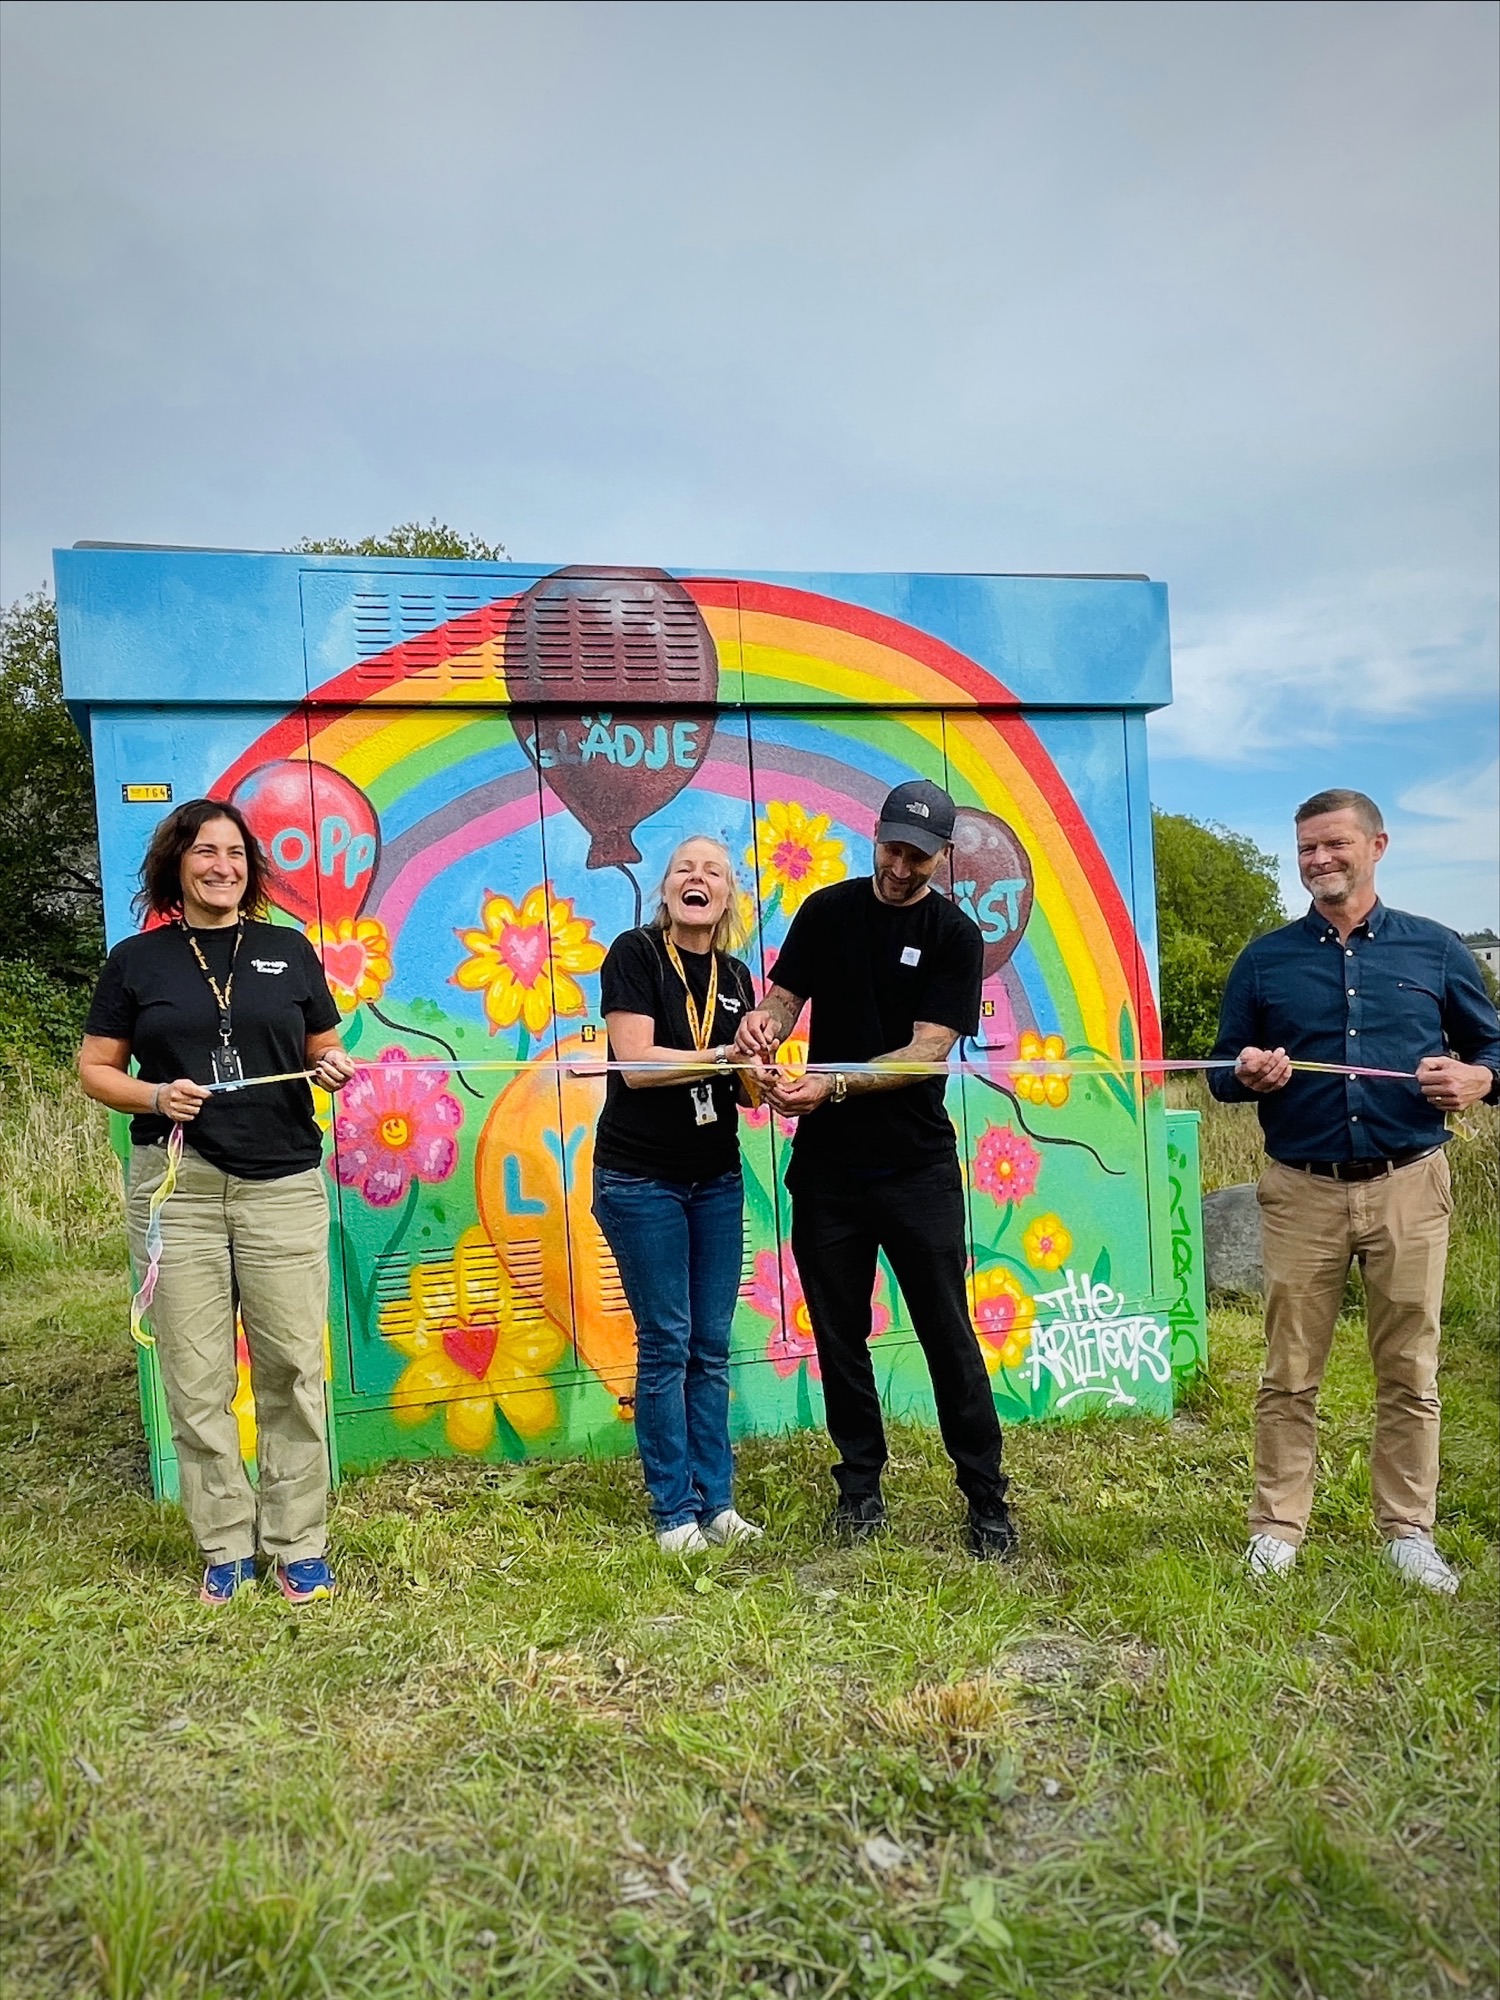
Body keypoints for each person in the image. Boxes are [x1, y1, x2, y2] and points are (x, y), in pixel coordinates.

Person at [1209, 788, 1499, 1594]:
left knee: (1410, 1367)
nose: (1319, 860)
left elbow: (1493, 1050)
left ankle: (1408, 1531)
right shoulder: (1265, 960)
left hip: (1410, 1184)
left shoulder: (1438, 952)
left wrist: (1479, 1076)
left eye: (1334, 844)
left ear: (1377, 845)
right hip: (1301, 1191)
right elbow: (1219, 1073)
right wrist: (1245, 1073)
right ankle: (1277, 1529)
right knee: (1288, 1371)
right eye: (1306, 848)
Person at [78, 798, 356, 1604]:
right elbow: (95, 1070)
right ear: (178, 864)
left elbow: (323, 1050)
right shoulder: (138, 960)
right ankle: (224, 1545)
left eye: (235, 853)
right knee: (197, 1381)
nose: (222, 866)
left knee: (294, 1370)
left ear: (251, 867)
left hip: (282, 1185)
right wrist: (153, 1095)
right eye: (206, 852)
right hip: (178, 1190)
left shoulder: (287, 949)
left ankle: (297, 1542)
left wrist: (333, 1067)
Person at [734, 780, 1016, 1559]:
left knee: (946, 1335)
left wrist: (832, 1086)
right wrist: (762, 1030)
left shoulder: (955, 936)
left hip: (916, 1169)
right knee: (839, 1336)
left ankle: (986, 1500)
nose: (900, 866)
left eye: (918, 856)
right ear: (877, 836)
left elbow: (927, 1053)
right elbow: (784, 1001)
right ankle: (860, 1491)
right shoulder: (827, 910)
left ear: (941, 856)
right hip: (828, 1172)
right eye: (892, 848)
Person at [592, 836, 764, 1553]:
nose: (697, 879)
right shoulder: (633, 954)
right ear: (666, 890)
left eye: (713, 872)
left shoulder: (738, 975)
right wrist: (721, 1055)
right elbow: (634, 1063)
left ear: (727, 899)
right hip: (640, 1180)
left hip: (715, 1179)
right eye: (683, 869)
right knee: (667, 1344)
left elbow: (748, 1091)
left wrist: (763, 1071)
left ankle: (716, 1502)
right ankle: (674, 1513)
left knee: (711, 1345)